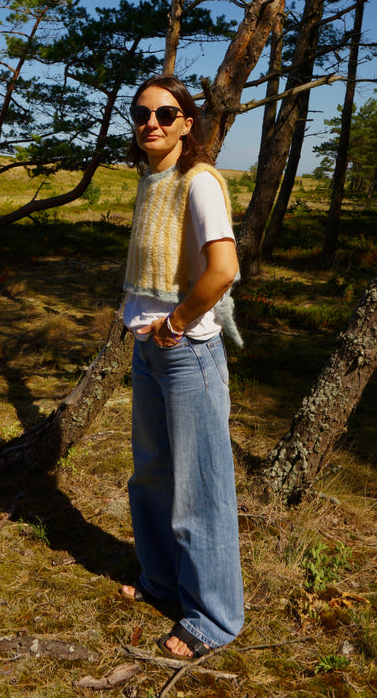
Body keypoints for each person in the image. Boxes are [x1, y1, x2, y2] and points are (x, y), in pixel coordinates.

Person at [120, 74, 244, 661]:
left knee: (201, 488)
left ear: (186, 124)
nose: (152, 122)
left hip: (186, 351)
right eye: (141, 113)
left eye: (166, 114)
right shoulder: (152, 180)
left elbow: (223, 269)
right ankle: (162, 581)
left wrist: (174, 324)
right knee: (151, 475)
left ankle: (214, 618)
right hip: (150, 350)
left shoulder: (200, 182)